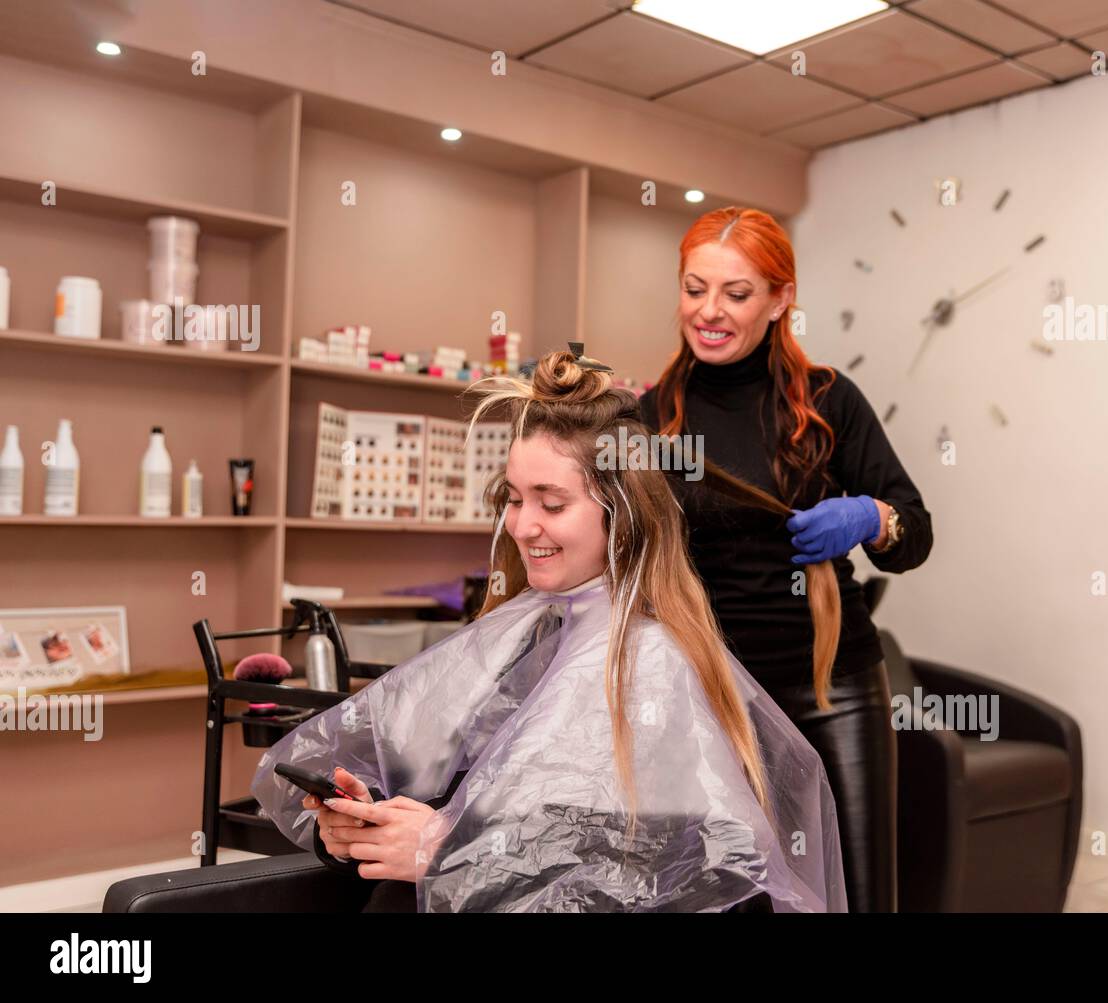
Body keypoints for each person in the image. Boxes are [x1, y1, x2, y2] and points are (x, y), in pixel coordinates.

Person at [250, 347, 847, 913]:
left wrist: (447, 851)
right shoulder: (522, 635)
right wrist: (365, 823)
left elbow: (684, 877)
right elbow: (460, 800)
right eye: (513, 498)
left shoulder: (652, 662)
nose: (521, 524)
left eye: (552, 503)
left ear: (624, 512)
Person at [639, 206, 935, 912]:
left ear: (780, 299)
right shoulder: (648, 419)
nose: (709, 311)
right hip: (709, 697)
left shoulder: (831, 402)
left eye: (736, 294)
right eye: (693, 287)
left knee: (860, 894)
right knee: (733, 900)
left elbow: (915, 534)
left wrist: (871, 517)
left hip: (833, 692)